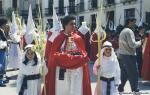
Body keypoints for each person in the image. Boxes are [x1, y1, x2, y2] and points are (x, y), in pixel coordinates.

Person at [42, 15, 92, 95]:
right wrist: (66, 58)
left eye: (74, 24)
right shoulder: (58, 38)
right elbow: (53, 56)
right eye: (71, 24)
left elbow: (84, 55)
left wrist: (75, 58)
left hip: (76, 72)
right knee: (62, 91)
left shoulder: (78, 38)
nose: (74, 26)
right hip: (62, 72)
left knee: (76, 91)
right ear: (65, 25)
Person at [118, 18, 143, 92]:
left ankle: (120, 88)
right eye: (134, 22)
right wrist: (140, 42)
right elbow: (132, 44)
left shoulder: (123, 31)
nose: (135, 24)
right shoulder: (129, 31)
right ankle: (135, 90)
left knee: (124, 74)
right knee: (134, 73)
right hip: (129, 56)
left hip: (122, 55)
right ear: (129, 22)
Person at [0, 18, 10, 87]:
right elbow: (1, 41)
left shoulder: (2, 30)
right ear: (2, 24)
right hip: (1, 50)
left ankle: (2, 79)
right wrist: (6, 42)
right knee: (0, 66)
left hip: (3, 50)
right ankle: (0, 81)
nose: (6, 25)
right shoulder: (0, 31)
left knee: (3, 66)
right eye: (5, 23)